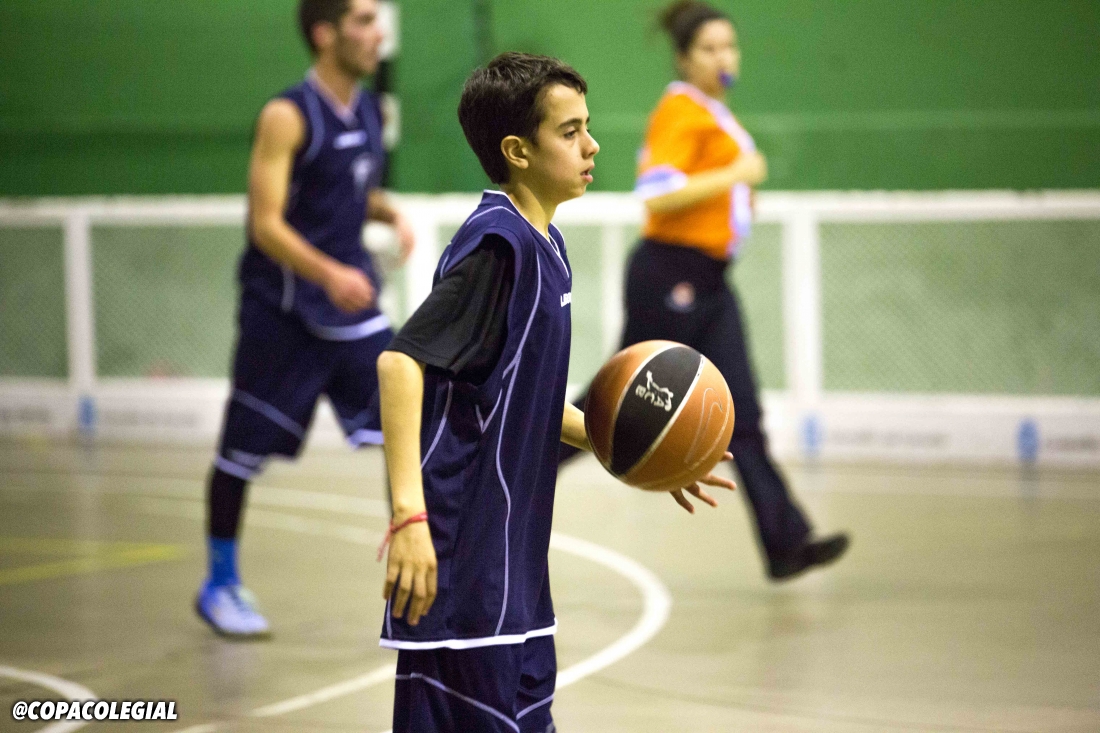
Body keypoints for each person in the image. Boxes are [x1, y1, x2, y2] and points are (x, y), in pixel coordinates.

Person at [375, 52, 735, 733]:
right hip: (463, 573)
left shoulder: (546, 245)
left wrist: (639, 446)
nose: (591, 145)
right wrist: (408, 519)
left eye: (586, 127)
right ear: (518, 150)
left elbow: (527, 403)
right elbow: (400, 364)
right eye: (570, 132)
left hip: (515, 574)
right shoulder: (499, 248)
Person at [560, 0, 849, 581]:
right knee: (615, 401)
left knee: (742, 411)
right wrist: (736, 176)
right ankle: (503, 474)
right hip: (672, 273)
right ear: (684, 58)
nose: (724, 58)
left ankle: (786, 543)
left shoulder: (713, 112)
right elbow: (658, 192)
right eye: (710, 49)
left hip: (710, 279)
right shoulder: (680, 111)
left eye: (730, 46)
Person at [195, 0, 414, 638]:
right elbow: (265, 223)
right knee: (239, 454)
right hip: (283, 311)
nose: (378, 33)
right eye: (363, 21)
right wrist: (329, 274)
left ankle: (413, 575)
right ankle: (219, 584)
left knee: (408, 423)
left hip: (353, 314)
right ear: (325, 34)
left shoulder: (370, 110)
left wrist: (387, 212)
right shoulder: (287, 115)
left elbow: (347, 187)